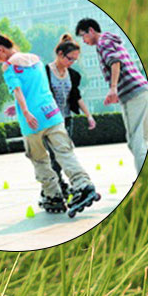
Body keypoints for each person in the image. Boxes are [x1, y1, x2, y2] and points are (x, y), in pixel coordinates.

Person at [0, 30, 97, 214]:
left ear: (0, 50)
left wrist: (25, 112)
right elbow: (37, 88)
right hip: (52, 114)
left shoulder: (8, 66)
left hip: (33, 120)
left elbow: (17, 90)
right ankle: (83, 185)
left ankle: (53, 195)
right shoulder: (36, 59)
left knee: (39, 159)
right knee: (65, 152)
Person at [75, 18, 148, 172]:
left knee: (135, 141)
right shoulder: (111, 40)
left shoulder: (103, 43)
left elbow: (115, 62)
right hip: (142, 89)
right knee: (142, 139)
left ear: (91, 30)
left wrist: (113, 88)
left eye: (83, 36)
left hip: (132, 94)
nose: (83, 41)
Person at [44, 35, 96, 196]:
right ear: (60, 54)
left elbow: (76, 96)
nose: (72, 62)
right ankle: (56, 185)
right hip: (49, 120)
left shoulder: (73, 75)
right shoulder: (45, 72)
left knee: (64, 152)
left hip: (66, 119)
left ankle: (61, 184)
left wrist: (89, 115)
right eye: (70, 58)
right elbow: (36, 94)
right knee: (54, 155)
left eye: (75, 59)